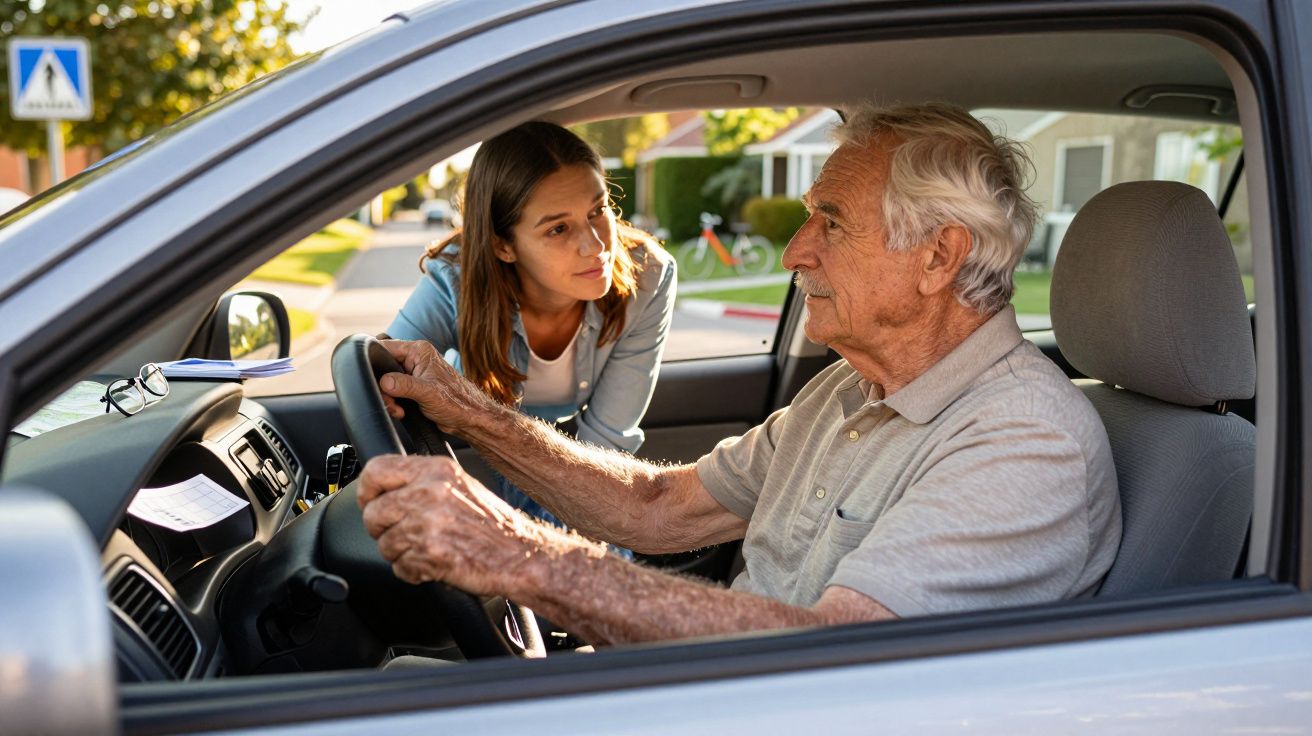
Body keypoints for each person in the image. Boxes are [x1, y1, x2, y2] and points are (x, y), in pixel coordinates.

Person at [359, 103, 1122, 646]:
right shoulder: (848, 389)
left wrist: (518, 554)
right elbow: (658, 507)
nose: (794, 252)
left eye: (832, 221)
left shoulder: (1026, 440)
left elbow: (832, 658)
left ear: (938, 258)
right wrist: (471, 415)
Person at [385, 121, 675, 526]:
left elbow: (609, 443)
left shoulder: (648, 275)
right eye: (558, 228)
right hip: (478, 462)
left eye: (598, 210)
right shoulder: (457, 276)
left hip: (584, 465)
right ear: (503, 245)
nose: (596, 245)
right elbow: (384, 365)